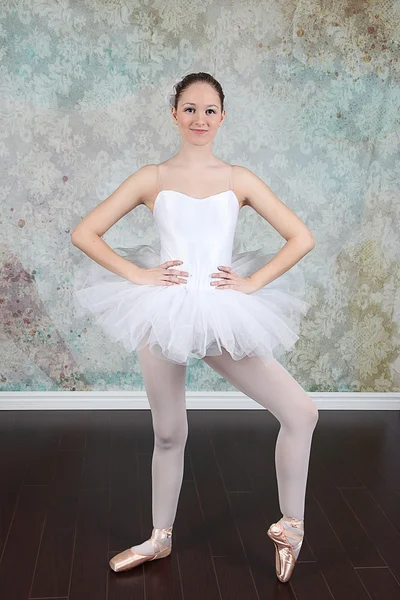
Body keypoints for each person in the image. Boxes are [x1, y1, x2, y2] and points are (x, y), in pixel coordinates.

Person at [71, 72, 318, 583]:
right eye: (189, 108)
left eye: (209, 110)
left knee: (301, 411)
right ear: (174, 114)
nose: (200, 119)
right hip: (163, 311)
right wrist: (140, 275)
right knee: (169, 432)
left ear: (222, 117)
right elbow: (84, 232)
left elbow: (300, 237)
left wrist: (252, 283)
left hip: (222, 309)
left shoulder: (239, 179)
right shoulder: (152, 178)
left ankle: (290, 527)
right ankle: (160, 538)